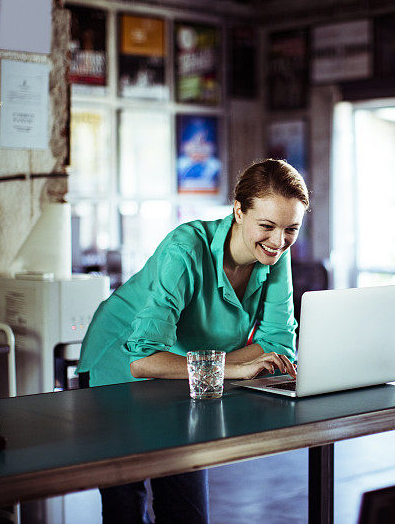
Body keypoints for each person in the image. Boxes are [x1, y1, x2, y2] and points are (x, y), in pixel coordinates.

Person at [77, 159, 307, 523]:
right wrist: (235, 367)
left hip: (185, 372)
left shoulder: (274, 253)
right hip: (116, 366)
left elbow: (278, 346)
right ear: (238, 211)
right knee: (126, 506)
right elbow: (144, 359)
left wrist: (230, 368)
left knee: (185, 509)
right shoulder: (185, 249)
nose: (279, 240)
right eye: (267, 226)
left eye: (291, 228)